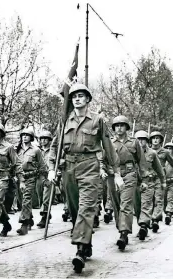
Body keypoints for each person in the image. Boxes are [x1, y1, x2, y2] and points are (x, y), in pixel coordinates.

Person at [48, 83, 122, 273]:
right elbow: (55, 146)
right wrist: (51, 167)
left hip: (90, 166)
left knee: (86, 207)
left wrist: (117, 172)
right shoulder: (65, 120)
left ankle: (80, 250)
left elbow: (108, 146)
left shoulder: (97, 120)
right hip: (69, 168)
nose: (77, 99)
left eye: (81, 96)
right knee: (74, 209)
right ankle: (86, 241)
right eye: (74, 97)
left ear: (88, 99)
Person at [108, 115, 146, 251]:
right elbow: (104, 159)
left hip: (130, 174)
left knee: (126, 204)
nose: (119, 128)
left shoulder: (134, 142)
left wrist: (143, 180)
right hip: (113, 175)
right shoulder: (109, 142)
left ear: (126, 128)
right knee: (116, 204)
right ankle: (121, 227)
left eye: (122, 125)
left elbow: (141, 162)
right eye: (116, 126)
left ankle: (123, 233)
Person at [134, 131, 165, 240]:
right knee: (137, 206)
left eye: (143, 139)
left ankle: (144, 226)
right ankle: (142, 223)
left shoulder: (152, 153)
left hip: (148, 182)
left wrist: (163, 181)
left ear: (147, 141)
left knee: (146, 204)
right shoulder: (131, 152)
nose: (140, 141)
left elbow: (159, 169)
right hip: (134, 182)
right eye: (138, 139)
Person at [149, 132, 173, 231]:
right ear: (150, 140)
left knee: (159, 199)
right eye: (153, 138)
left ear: (160, 140)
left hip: (160, 178)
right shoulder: (147, 151)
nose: (155, 140)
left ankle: (155, 219)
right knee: (149, 200)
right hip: (148, 178)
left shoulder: (165, 152)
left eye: (157, 138)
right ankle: (148, 220)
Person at [16, 128, 47, 235]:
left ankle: (24, 224)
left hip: (31, 177)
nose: (24, 137)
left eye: (27, 135)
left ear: (31, 137)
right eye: (23, 135)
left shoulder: (36, 150)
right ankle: (30, 219)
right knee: (22, 200)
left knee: (26, 199)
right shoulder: (17, 149)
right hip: (19, 178)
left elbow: (42, 165)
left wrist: (45, 178)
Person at [36, 130, 54, 229]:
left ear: (49, 140)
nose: (43, 141)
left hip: (49, 175)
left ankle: (44, 215)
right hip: (39, 175)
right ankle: (46, 213)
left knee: (46, 196)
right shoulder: (37, 150)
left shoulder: (53, 150)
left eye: (45, 139)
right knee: (39, 195)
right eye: (41, 139)